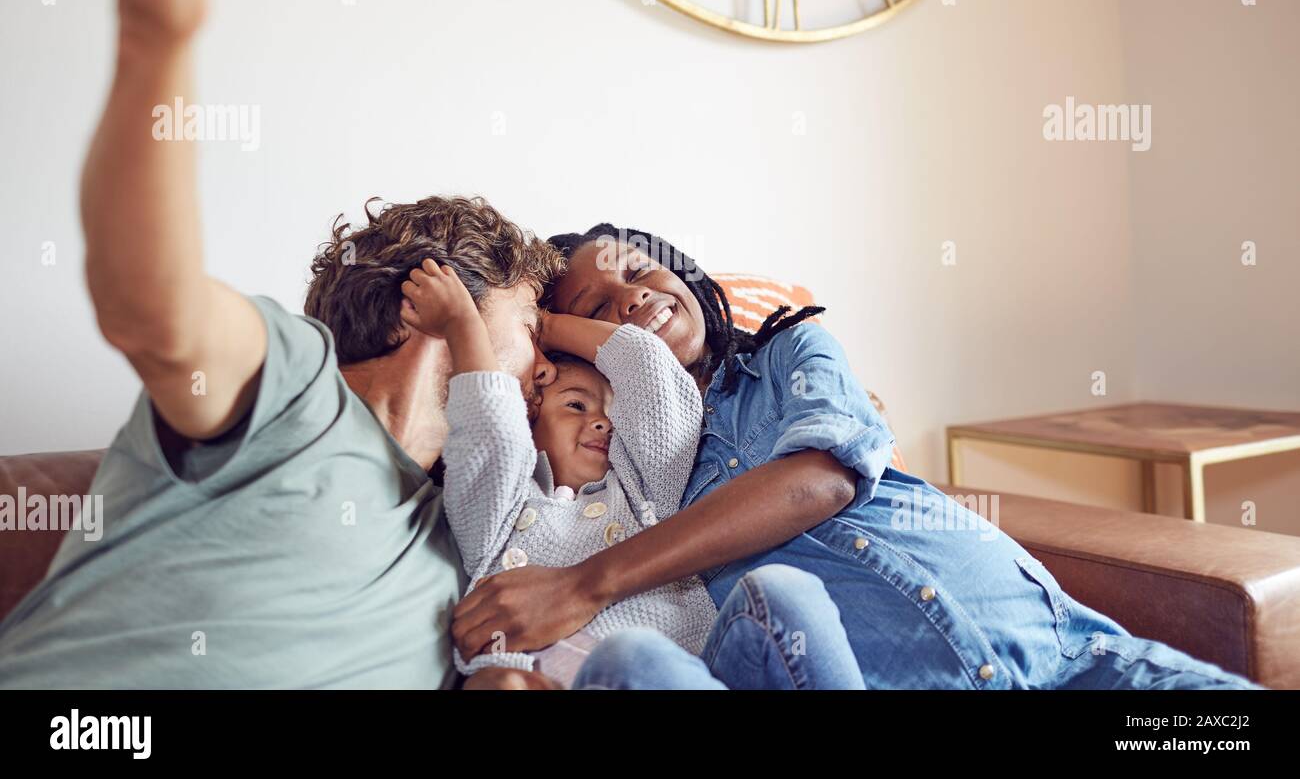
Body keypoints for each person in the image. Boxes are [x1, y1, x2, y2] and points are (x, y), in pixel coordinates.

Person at [0, 0, 555, 689]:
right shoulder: (295, 386)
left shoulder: (469, 548)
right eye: (533, 331)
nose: (547, 369)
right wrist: (158, 26)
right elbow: (154, 306)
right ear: (442, 302)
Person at [452, 225, 1264, 690]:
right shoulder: (642, 471)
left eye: (638, 269)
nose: (630, 296)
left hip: (1078, 660)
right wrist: (539, 335)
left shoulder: (789, 351)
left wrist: (584, 583)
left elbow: (824, 475)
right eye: (598, 308)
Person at [402, 260, 865, 689]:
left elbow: (651, 374)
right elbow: (489, 433)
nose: (603, 421)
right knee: (621, 657)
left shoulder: (646, 491)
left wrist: (548, 325)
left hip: (693, 670)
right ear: (529, 421)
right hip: (569, 674)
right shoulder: (499, 510)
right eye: (576, 405)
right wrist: (464, 326)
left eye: (613, 412)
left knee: (784, 588)